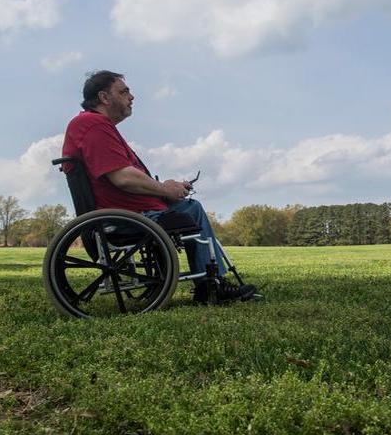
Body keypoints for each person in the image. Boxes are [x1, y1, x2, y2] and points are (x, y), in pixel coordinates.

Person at [61, 70, 258, 304]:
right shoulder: (93, 125)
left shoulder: (96, 126)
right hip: (126, 218)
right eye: (124, 92)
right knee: (191, 209)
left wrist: (170, 189)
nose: (132, 97)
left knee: (187, 206)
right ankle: (209, 285)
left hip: (133, 212)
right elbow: (122, 177)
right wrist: (165, 189)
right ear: (104, 97)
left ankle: (210, 283)